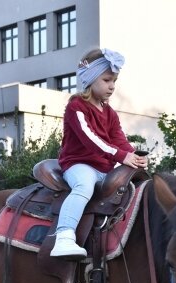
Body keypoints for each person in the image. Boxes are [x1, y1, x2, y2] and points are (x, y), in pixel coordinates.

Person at [50, 48, 147, 257]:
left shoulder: (109, 111)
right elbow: (92, 140)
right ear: (90, 79)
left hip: (104, 167)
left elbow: (118, 138)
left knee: (129, 189)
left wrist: (133, 156)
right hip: (78, 164)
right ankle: (64, 235)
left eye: (114, 81)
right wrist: (122, 156)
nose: (112, 86)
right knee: (83, 186)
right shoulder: (76, 107)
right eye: (106, 80)